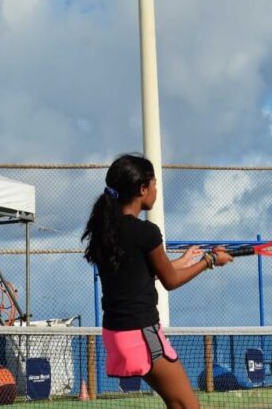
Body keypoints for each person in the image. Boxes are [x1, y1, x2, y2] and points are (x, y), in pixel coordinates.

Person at [82, 154, 233, 409]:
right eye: (154, 184)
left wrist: (186, 261)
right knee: (187, 406)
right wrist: (209, 261)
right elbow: (170, 281)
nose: (156, 190)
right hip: (141, 334)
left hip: (116, 334)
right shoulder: (146, 232)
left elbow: (143, 275)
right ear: (142, 189)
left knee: (175, 403)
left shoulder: (105, 231)